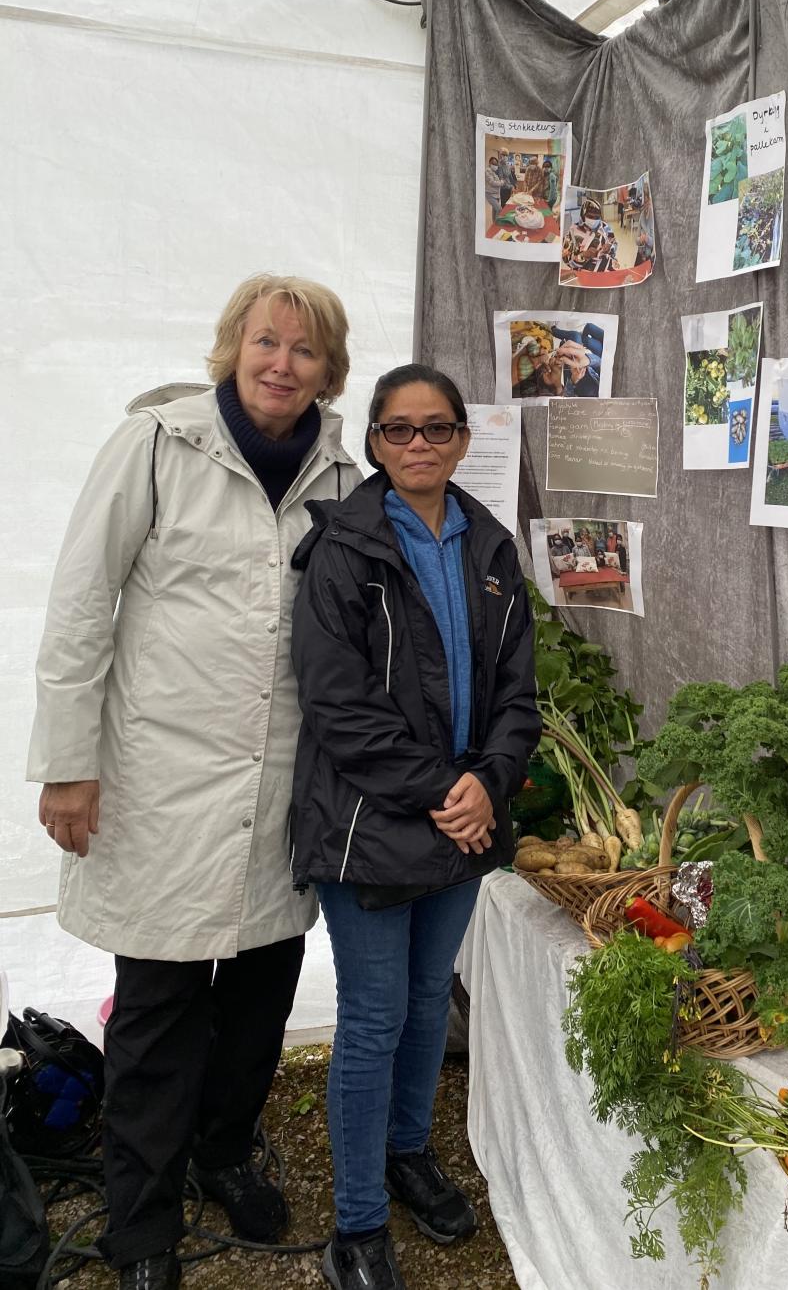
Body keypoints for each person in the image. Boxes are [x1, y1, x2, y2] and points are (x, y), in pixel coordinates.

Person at [28, 275, 359, 1289]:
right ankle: (141, 1226)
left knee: (260, 997)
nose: (281, 364)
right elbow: (82, 604)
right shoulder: (158, 446)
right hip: (160, 780)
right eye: (265, 342)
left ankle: (223, 1149)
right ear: (231, 347)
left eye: (304, 351)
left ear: (328, 370)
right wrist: (68, 764)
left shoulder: (343, 474)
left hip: (278, 788)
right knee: (163, 1006)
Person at [289, 364, 539, 1290]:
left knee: (433, 1001)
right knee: (371, 1018)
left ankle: (406, 1151)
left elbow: (519, 691)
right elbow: (336, 704)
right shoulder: (344, 550)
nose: (420, 445)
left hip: (461, 821)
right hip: (369, 824)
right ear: (376, 445)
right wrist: (448, 787)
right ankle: (356, 1225)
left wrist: (492, 778)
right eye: (399, 430)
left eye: (437, 429)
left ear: (464, 438)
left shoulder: (491, 545)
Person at [562, 197, 619, 276]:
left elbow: (614, 244)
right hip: (583, 273)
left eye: (597, 217)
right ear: (583, 215)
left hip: (605, 268)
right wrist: (582, 256)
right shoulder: (572, 232)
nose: (593, 220)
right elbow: (567, 260)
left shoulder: (605, 227)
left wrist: (610, 247)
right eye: (590, 216)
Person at [483, 156, 502, 226]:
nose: (495, 165)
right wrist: (501, 182)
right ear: (489, 163)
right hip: (490, 194)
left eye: (496, 164)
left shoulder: (494, 173)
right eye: (493, 163)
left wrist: (500, 182)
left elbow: (497, 181)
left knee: (495, 210)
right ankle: (497, 224)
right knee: (499, 209)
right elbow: (493, 183)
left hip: (496, 194)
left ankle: (494, 223)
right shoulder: (487, 171)